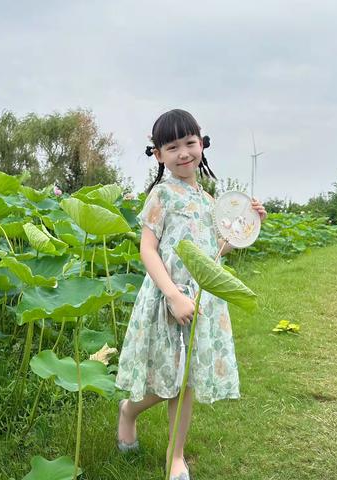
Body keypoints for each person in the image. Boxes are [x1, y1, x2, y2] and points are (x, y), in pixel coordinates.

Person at [115, 109, 267, 479]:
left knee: (187, 381)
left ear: (202, 144)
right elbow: (147, 250)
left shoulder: (209, 200)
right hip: (168, 298)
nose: (183, 153)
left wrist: (249, 224)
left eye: (190, 143)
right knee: (167, 379)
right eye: (173, 146)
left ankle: (176, 455)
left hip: (202, 300)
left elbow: (214, 249)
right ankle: (129, 412)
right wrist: (171, 294)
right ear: (158, 154)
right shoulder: (161, 196)